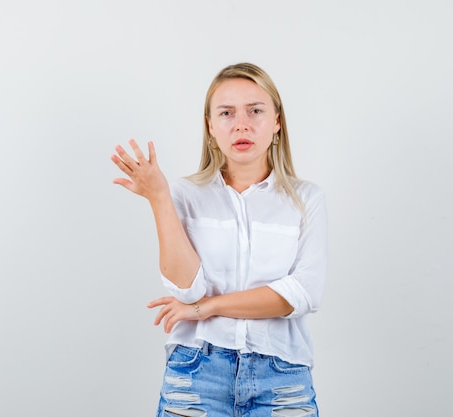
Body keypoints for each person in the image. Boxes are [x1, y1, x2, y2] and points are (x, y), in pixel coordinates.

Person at [111, 62, 327, 417]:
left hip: (282, 378)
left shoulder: (307, 199)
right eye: (226, 113)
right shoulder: (183, 193)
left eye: (255, 111)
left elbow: (302, 294)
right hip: (197, 373)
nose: (241, 124)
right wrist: (159, 197)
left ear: (276, 122)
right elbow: (187, 291)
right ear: (211, 127)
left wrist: (206, 308)